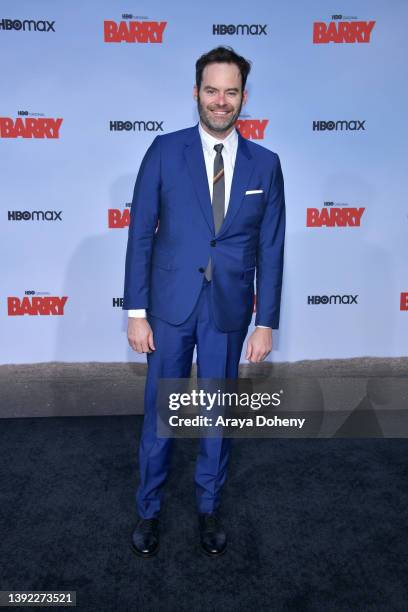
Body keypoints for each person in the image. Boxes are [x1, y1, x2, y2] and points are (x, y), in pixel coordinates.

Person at [122, 46, 286, 557]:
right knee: (160, 413)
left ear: (243, 97)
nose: (221, 102)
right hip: (169, 309)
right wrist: (136, 311)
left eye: (231, 92)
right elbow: (140, 236)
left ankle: (208, 508)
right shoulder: (164, 151)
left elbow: (272, 246)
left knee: (219, 417)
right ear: (196, 92)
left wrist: (266, 322)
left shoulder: (267, 163)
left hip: (230, 311)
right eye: (211, 90)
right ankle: (149, 510)